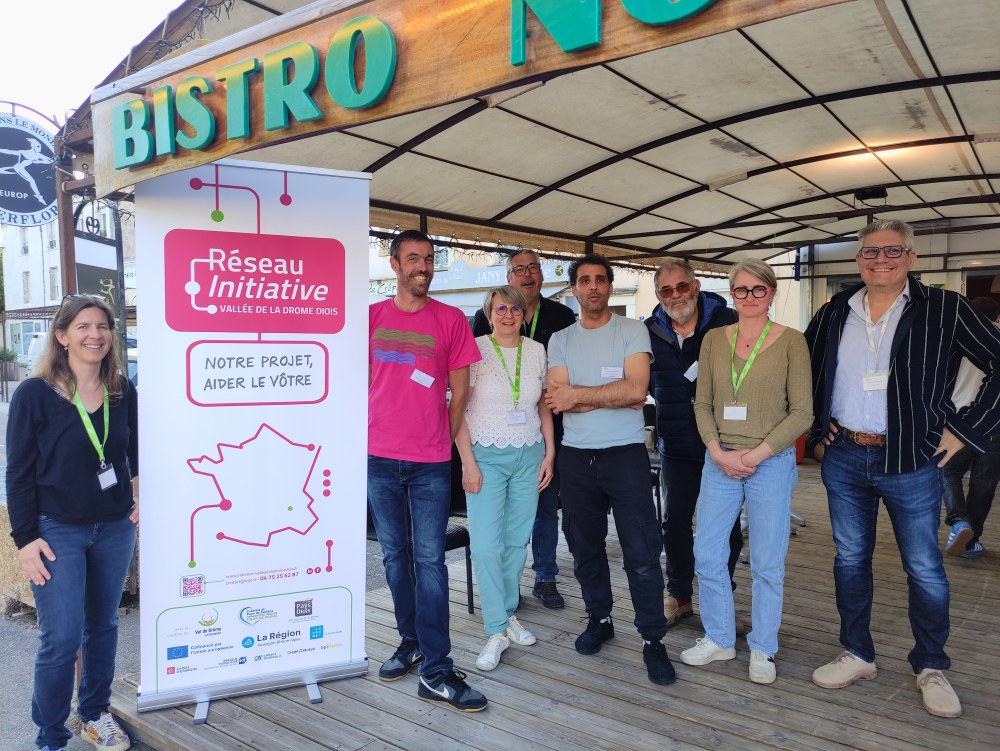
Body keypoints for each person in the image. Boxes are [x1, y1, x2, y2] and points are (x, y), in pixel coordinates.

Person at [805, 218, 1000, 718]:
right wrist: (815, 419)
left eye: (893, 252)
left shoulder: (944, 308)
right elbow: (804, 365)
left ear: (911, 258)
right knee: (850, 559)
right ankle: (857, 653)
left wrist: (967, 429)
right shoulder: (834, 310)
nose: (881, 260)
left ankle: (931, 665)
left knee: (925, 567)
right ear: (858, 259)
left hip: (913, 457)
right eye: (871, 252)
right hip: (845, 454)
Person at [6, 295, 139, 751]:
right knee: (61, 637)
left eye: (102, 326)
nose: (95, 334)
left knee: (101, 626)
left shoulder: (121, 389)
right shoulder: (35, 395)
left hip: (114, 527)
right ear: (62, 336)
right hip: (56, 528)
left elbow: (135, 447)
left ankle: (95, 713)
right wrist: (25, 541)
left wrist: (138, 492)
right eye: (83, 326)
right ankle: (49, 734)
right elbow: (18, 474)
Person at [368, 230, 487, 712]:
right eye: (413, 258)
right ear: (394, 264)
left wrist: (442, 438)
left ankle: (437, 669)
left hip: (430, 463)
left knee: (430, 562)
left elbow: (462, 392)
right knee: (395, 558)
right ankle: (410, 640)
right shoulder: (371, 317)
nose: (423, 266)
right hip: (377, 459)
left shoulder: (451, 319)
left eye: (429, 259)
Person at [679, 260, 812, 685]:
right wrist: (718, 451)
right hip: (720, 460)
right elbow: (701, 403)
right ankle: (719, 637)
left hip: (769, 462)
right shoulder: (714, 339)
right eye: (741, 290)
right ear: (730, 295)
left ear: (772, 293)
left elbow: (803, 412)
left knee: (768, 561)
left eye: (758, 290)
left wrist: (756, 454)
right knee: (708, 553)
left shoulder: (792, 342)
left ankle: (763, 646)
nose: (750, 297)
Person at [545, 253, 675, 686]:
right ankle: (599, 619)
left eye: (600, 279)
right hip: (576, 457)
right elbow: (557, 399)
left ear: (609, 285)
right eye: (585, 280)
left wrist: (579, 396)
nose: (593, 287)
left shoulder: (631, 330)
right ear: (575, 289)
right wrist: (610, 392)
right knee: (585, 549)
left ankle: (652, 639)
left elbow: (637, 388)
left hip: (624, 455)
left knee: (641, 552)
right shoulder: (560, 339)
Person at [457, 286, 555, 671]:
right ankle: (496, 628)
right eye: (502, 308)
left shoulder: (536, 351)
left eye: (516, 308)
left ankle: (508, 614)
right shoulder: (474, 348)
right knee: (484, 545)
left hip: (529, 454)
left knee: (517, 541)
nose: (510, 315)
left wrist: (549, 452)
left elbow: (542, 404)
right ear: (489, 313)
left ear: (525, 313)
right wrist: (467, 461)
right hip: (486, 455)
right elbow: (459, 408)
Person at [472, 250, 576, 608]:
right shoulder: (478, 339)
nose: (509, 314)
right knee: (491, 534)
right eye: (520, 269)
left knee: (535, 516)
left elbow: (549, 391)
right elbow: (463, 397)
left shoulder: (558, 320)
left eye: (534, 268)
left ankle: (540, 581)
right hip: (490, 443)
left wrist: (550, 449)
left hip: (541, 436)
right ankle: (500, 605)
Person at [645, 259, 743, 626]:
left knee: (726, 525)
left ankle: (721, 598)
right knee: (675, 524)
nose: (675, 296)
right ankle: (679, 595)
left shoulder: (728, 322)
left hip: (723, 442)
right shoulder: (650, 331)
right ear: (659, 295)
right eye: (666, 290)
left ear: (696, 285)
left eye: (681, 287)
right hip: (676, 445)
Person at [941, 295, 1000, 559]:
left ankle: (958, 520)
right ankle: (971, 540)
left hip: (959, 421)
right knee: (984, 483)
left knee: (946, 472)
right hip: (995, 423)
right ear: (997, 317)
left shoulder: (956, 338)